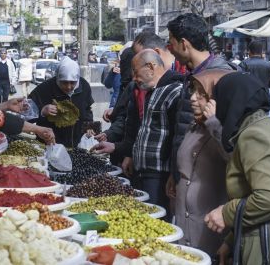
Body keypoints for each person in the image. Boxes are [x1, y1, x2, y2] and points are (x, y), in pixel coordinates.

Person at [204, 72, 270, 265]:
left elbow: (268, 198)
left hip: (265, 246)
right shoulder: (265, 126)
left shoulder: (253, 135)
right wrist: (231, 242)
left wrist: (225, 213)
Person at [93, 49, 182, 210]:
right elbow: (141, 132)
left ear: (150, 67)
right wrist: (119, 148)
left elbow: (178, 138)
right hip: (142, 171)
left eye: (135, 72)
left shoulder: (174, 91)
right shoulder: (151, 92)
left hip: (159, 174)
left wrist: (174, 175)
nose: (134, 78)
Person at [166, 13, 238, 197]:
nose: (170, 50)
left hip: (208, 183)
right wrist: (176, 172)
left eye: (171, 43)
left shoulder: (221, 76)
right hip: (187, 174)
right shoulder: (193, 74)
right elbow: (182, 126)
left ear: (183, 44)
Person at [174, 69, 231, 256]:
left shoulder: (227, 131)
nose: (192, 98)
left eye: (201, 94)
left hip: (210, 227)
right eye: (193, 91)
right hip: (184, 221)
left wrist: (214, 123)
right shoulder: (194, 126)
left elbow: (232, 159)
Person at [29, 56, 94, 148]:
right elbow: (26, 115)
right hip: (50, 144)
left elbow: (87, 109)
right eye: (64, 82)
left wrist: (89, 125)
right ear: (58, 78)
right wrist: (42, 111)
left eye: (72, 82)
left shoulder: (84, 86)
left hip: (77, 143)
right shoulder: (43, 89)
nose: (68, 87)